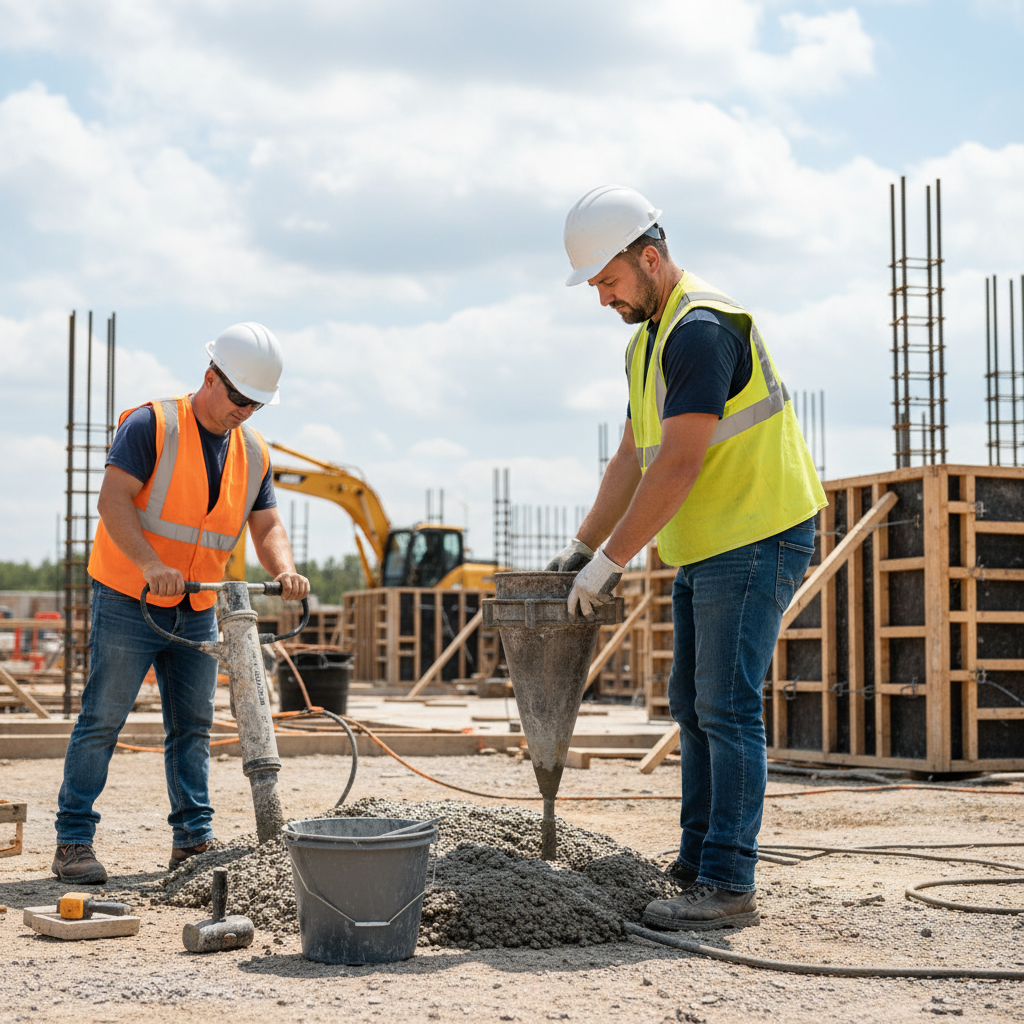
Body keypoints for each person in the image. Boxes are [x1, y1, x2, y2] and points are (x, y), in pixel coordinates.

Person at [547, 185, 827, 930]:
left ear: (649, 256)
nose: (601, 298)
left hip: (758, 533)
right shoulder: (649, 339)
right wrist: (580, 548)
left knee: (727, 708)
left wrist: (611, 563)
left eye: (608, 280)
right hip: (709, 543)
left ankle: (728, 883)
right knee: (692, 707)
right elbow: (632, 460)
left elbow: (677, 466)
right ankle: (699, 861)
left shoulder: (700, 330)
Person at [53, 322, 310, 884]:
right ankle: (73, 841)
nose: (245, 410)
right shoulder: (152, 424)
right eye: (239, 397)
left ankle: (192, 840)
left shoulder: (253, 451)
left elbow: (266, 525)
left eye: (257, 404)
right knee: (103, 718)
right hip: (129, 596)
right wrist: (150, 565)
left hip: (197, 605)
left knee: (192, 725)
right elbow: (113, 500)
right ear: (210, 377)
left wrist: (285, 570)